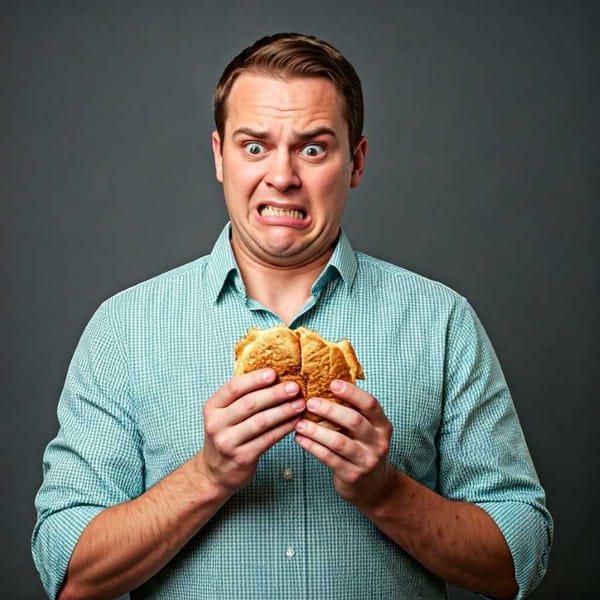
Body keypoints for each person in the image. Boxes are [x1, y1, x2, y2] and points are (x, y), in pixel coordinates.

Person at [32, 33, 552, 600]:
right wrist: (207, 477)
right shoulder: (124, 330)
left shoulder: (440, 322)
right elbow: (68, 571)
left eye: (312, 148)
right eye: (254, 146)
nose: (282, 175)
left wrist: (385, 492)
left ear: (355, 161)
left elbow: (519, 556)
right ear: (218, 156)